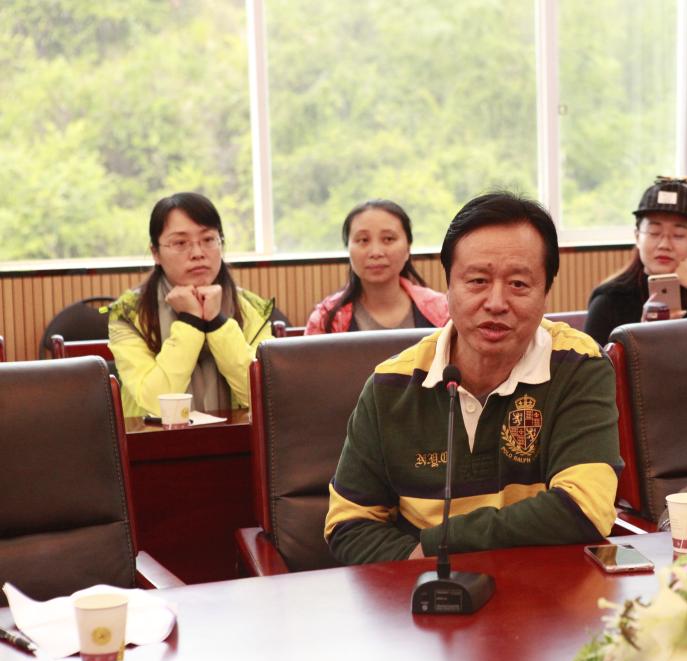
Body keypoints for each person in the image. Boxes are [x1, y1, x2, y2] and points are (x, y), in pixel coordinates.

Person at [324, 191, 622, 565]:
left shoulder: (578, 364)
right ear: (448, 288)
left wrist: (437, 547)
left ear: (546, 291)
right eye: (478, 280)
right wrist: (426, 569)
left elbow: (583, 507)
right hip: (420, 588)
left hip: (542, 587)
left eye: (518, 284)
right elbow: (348, 525)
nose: (496, 302)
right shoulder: (391, 384)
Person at [108, 192, 274, 417]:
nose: (197, 253)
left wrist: (217, 323)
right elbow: (155, 404)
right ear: (155, 253)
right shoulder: (128, 315)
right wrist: (191, 322)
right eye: (180, 243)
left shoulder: (251, 308)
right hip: (153, 437)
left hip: (240, 436)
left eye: (208, 240)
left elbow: (264, 394)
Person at [584, 177, 687, 346]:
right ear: (637, 237)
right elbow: (592, 362)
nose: (664, 245)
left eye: (678, 235)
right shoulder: (610, 299)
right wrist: (639, 338)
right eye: (654, 232)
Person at [305, 200, 448, 334]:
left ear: (408, 248)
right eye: (363, 240)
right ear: (348, 248)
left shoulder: (444, 310)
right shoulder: (325, 320)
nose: (376, 252)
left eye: (388, 239)